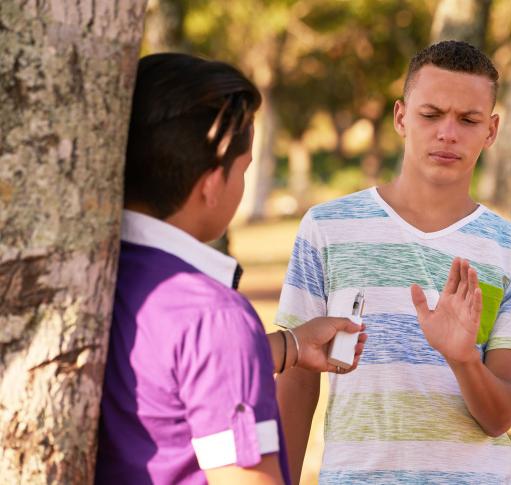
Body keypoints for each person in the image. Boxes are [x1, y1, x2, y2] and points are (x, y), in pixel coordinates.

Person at [275, 40, 511, 485]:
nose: (448, 132)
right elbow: (297, 375)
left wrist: (463, 359)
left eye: (468, 119)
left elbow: (500, 417)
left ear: (492, 130)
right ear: (402, 117)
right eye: (431, 114)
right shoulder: (327, 229)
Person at [94, 53, 366, 485]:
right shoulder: (214, 316)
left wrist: (288, 347)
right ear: (211, 182)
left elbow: (169, 370)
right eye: (243, 169)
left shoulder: (95, 276)